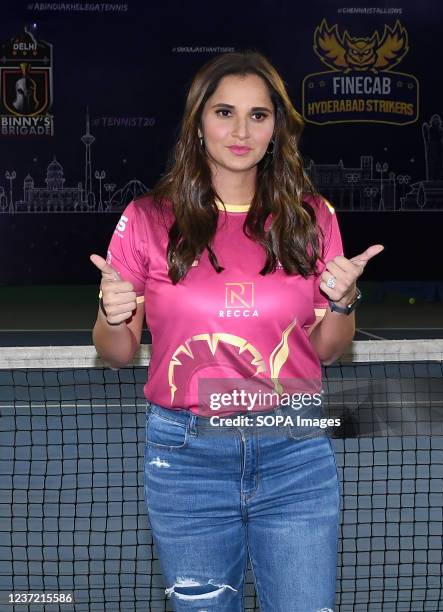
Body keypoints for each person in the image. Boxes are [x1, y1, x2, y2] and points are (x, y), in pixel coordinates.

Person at [90, 51, 383, 612]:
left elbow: (327, 348)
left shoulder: (310, 217)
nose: (241, 130)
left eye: (259, 115)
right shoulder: (149, 219)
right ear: (198, 122)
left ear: (276, 128)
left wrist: (344, 302)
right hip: (187, 461)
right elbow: (118, 352)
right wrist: (112, 311)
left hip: (296, 451)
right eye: (225, 113)